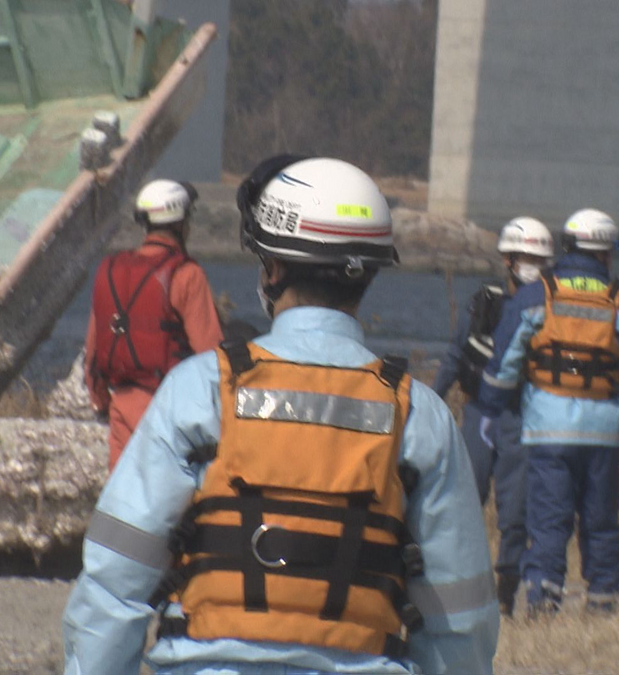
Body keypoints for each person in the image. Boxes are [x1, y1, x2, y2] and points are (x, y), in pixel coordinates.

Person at [63, 156, 499, 674]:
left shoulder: (200, 390)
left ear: (272, 268)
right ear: (371, 275)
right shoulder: (418, 414)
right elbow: (460, 618)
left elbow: (115, 583)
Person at [477, 209, 619, 615]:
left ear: (566, 248)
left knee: (548, 519)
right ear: (607, 254)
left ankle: (543, 596)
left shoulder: (534, 297)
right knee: (600, 519)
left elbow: (505, 361)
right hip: (604, 434)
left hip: (548, 430)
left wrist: (489, 409)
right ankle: (603, 598)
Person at [432, 216, 555, 616]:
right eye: (523, 257)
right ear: (507, 260)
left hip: (523, 418)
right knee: (465, 499)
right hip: (481, 415)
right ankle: (456, 586)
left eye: (538, 258)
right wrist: (432, 399)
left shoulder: (552, 310)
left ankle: (505, 590)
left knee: (516, 510)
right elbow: (455, 356)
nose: (530, 264)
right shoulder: (484, 304)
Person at [85, 179, 224, 470]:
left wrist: (101, 403)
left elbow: (94, 354)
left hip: (121, 411)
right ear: (181, 224)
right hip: (172, 415)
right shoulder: (187, 275)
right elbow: (212, 360)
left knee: (123, 506)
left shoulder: (109, 271)